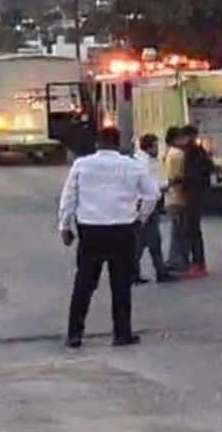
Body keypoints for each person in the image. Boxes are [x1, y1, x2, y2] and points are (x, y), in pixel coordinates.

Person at [58, 126, 159, 348]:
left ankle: (74, 334)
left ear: (97, 143)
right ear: (118, 143)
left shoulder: (82, 165)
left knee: (84, 283)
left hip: (91, 230)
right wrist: (140, 218)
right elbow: (152, 195)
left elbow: (69, 198)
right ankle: (121, 333)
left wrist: (65, 226)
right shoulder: (132, 166)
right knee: (121, 284)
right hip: (122, 230)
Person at [132, 134, 176, 285]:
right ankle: (156, 272)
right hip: (146, 205)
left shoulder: (145, 161)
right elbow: (150, 189)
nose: (158, 149)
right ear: (149, 147)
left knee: (148, 241)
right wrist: (165, 186)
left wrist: (164, 185)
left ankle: (143, 272)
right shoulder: (144, 164)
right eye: (155, 146)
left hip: (146, 204)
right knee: (146, 241)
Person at [180, 124, 213, 278]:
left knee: (192, 230)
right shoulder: (199, 151)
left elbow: (193, 173)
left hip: (193, 193)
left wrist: (183, 181)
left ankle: (198, 264)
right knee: (192, 230)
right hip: (197, 192)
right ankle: (197, 263)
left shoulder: (192, 152)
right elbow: (209, 168)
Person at [162, 127, 190, 272]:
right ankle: (177, 261)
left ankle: (176, 260)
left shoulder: (169, 153)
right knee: (179, 233)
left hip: (170, 198)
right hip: (178, 198)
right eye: (181, 137)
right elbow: (179, 176)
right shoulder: (179, 154)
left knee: (176, 231)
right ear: (175, 139)